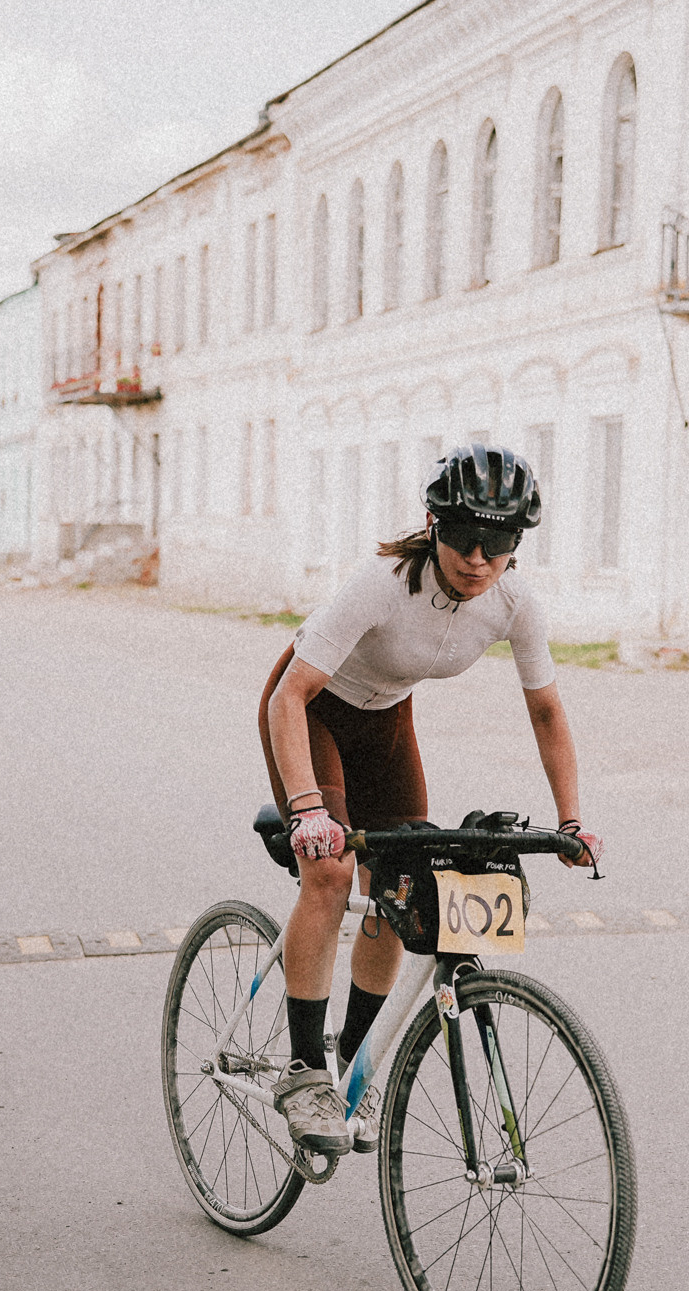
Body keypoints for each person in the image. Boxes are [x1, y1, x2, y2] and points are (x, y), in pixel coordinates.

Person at [258, 444, 603, 1156]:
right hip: (314, 710)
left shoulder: (513, 602)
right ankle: (303, 1071)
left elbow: (547, 714)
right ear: (433, 524)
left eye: (501, 541)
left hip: (386, 722)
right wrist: (308, 810)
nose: (479, 557)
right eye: (464, 536)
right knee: (329, 873)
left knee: (404, 881)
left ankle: (354, 1060)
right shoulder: (383, 582)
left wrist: (571, 822)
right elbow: (292, 694)